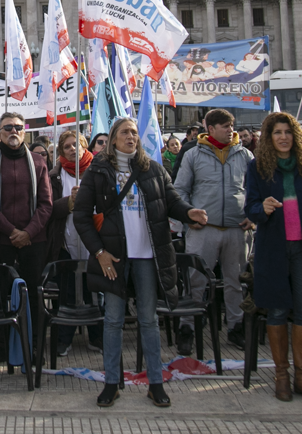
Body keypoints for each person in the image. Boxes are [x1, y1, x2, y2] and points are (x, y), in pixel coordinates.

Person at [74, 118, 207, 408]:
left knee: (149, 320)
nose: (131, 136)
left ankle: (155, 384)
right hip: (114, 258)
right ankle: (112, 383)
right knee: (113, 320)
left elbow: (172, 202)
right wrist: (99, 252)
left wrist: (189, 213)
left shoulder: (153, 169)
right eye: (125, 132)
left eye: (134, 132)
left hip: (148, 257)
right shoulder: (98, 170)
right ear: (113, 138)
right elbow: (81, 216)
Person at [245, 113, 302, 402]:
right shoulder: (258, 167)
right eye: (277, 132)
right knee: (278, 310)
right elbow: (250, 207)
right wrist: (262, 208)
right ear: (269, 137)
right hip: (274, 249)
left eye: (288, 132)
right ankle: (281, 375)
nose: (283, 137)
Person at [173, 108, 253, 351]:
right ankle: (187, 327)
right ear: (211, 129)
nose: (231, 130)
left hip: (237, 229)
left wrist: (252, 216)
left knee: (235, 281)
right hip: (203, 229)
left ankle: (236, 327)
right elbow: (180, 190)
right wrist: (188, 216)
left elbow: (255, 190)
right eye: (225, 126)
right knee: (195, 280)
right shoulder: (193, 155)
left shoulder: (245, 155)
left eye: (231, 126)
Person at [0, 112, 52, 367]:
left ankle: (34, 347)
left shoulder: (38, 162)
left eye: (18, 127)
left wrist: (28, 232)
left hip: (34, 241)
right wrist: (11, 231)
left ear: (25, 132)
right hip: (0, 241)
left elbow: (46, 204)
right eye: (8, 127)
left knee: (33, 294)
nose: (13, 131)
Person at [50, 130, 101, 355]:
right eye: (67, 146)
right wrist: (68, 201)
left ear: (84, 146)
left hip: (95, 241)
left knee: (95, 291)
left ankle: (97, 337)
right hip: (66, 241)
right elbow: (48, 208)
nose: (72, 149)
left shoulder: (98, 170)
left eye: (76, 145)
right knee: (67, 293)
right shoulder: (55, 176)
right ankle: (64, 338)